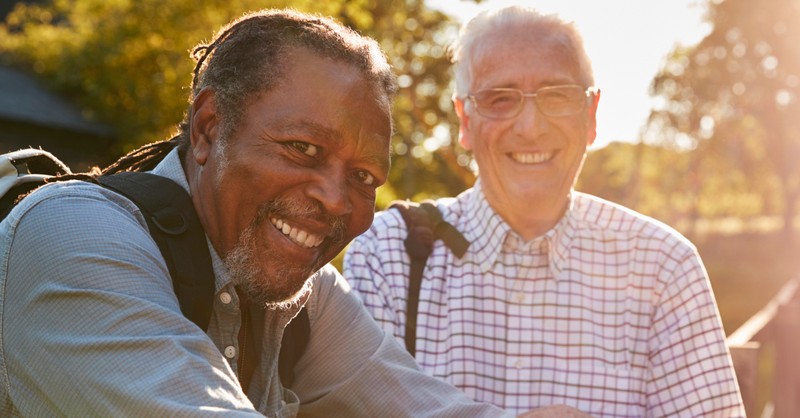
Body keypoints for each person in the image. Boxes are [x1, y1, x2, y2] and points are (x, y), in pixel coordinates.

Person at [0, 8, 583, 418]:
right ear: (208, 128)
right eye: (303, 149)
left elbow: (428, 410)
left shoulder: (304, 295)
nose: (335, 199)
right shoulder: (71, 235)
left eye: (363, 178)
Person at [344, 6, 745, 417]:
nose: (531, 126)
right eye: (500, 98)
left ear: (591, 116)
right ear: (465, 120)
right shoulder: (387, 255)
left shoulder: (665, 267)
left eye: (557, 95)